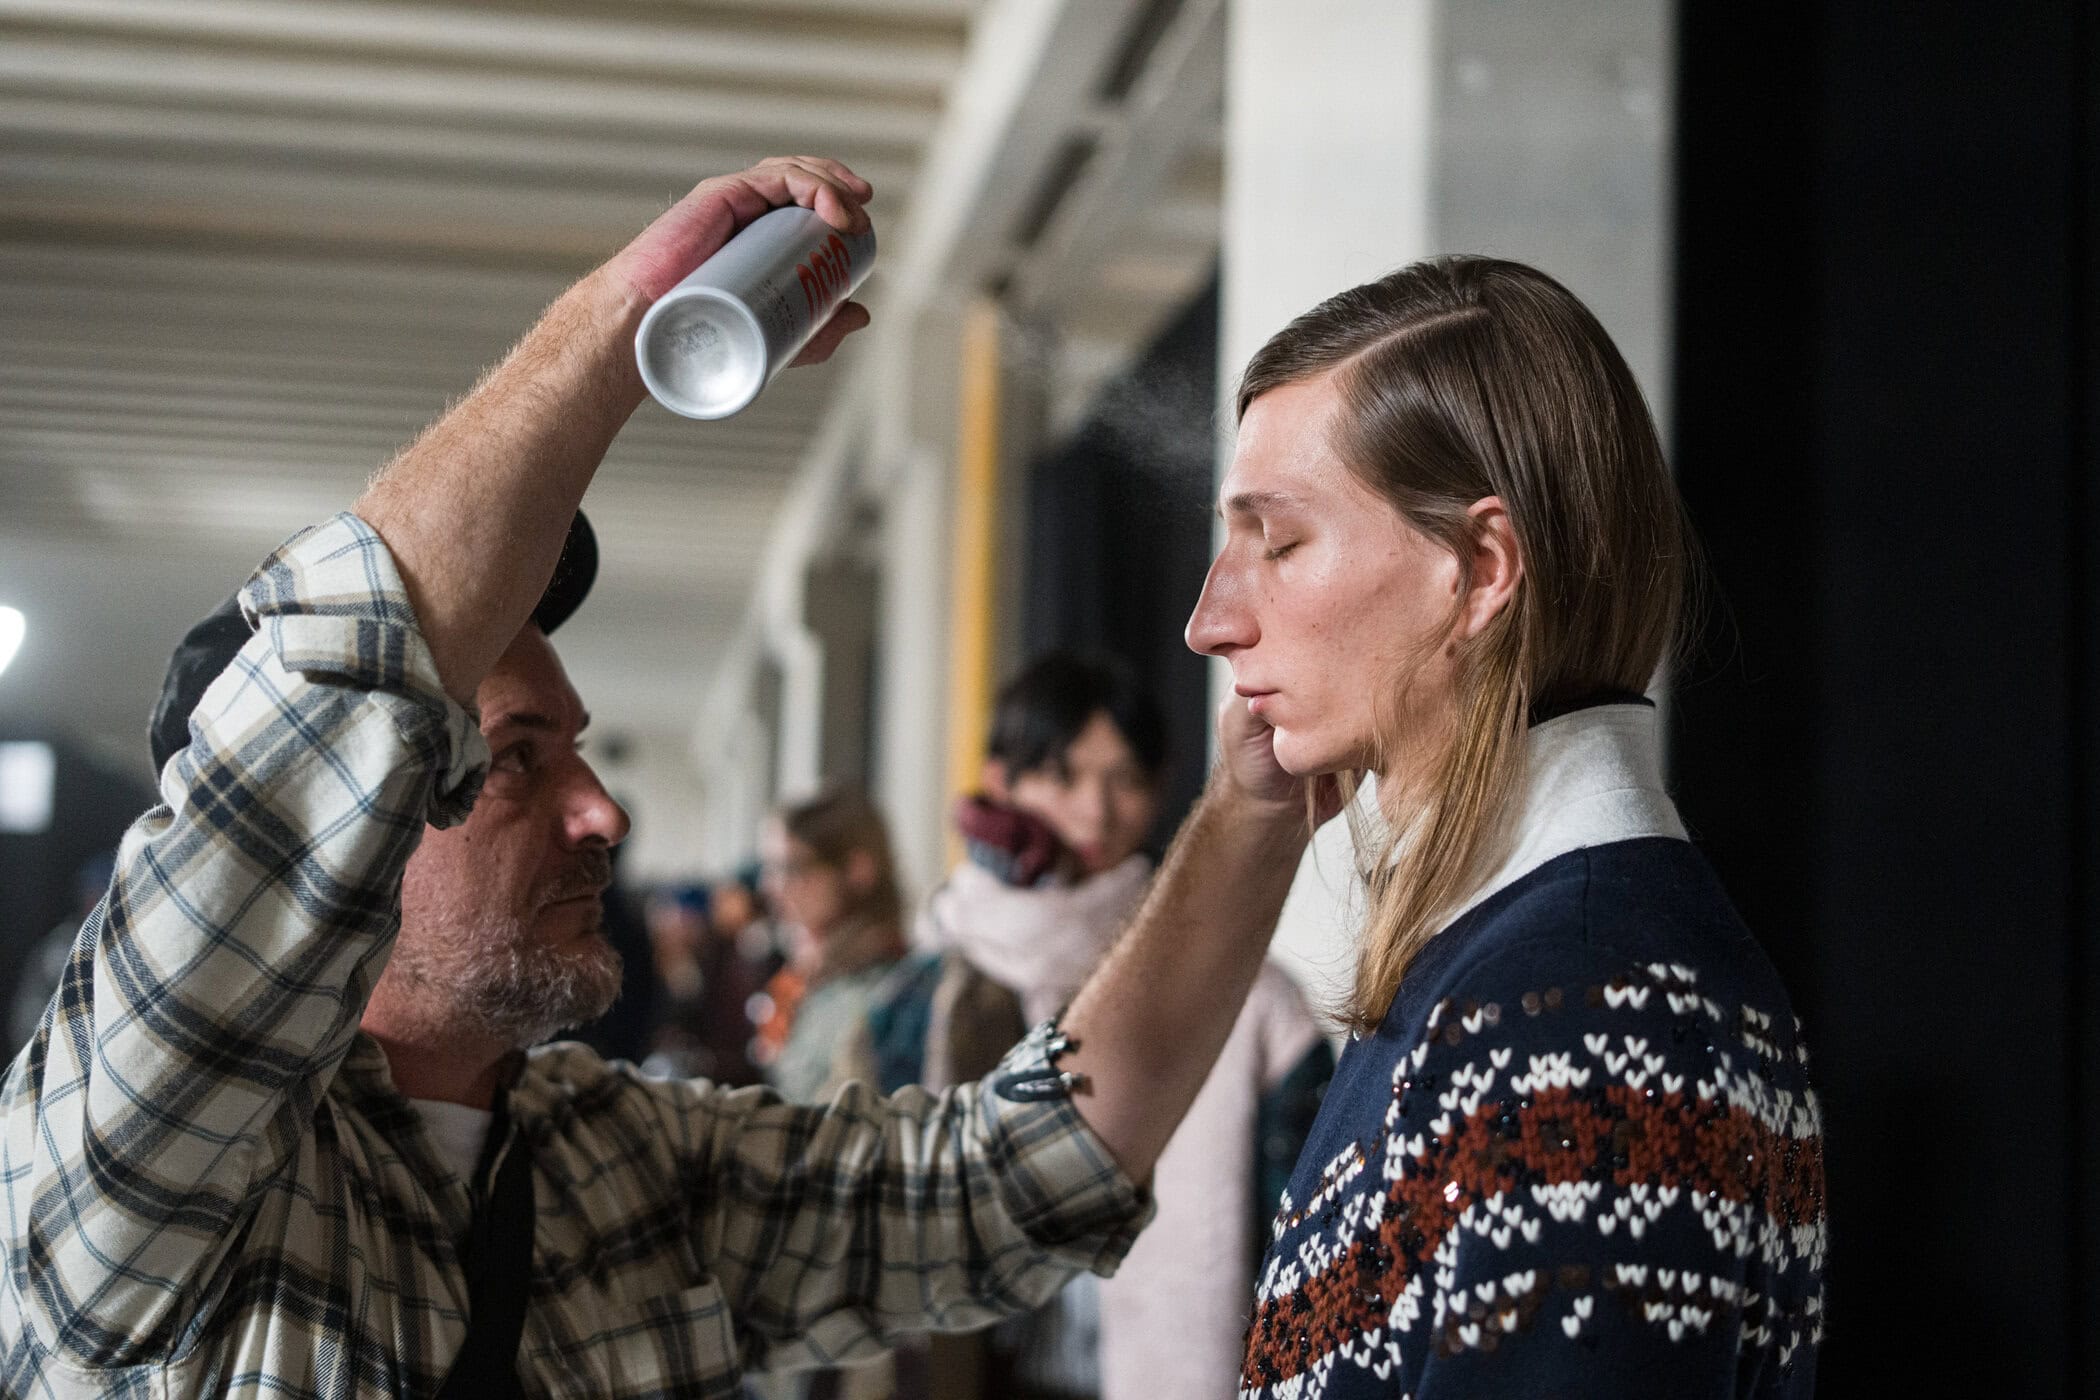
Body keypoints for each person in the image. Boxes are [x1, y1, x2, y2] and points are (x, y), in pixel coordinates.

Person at [0, 158, 1327, 1397]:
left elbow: (1016, 1182)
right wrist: (625, 324)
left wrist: (1256, 810)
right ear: (339, 834)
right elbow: (339, 689)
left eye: (579, 748)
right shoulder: (146, 1166)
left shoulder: (618, 1164)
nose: (606, 815)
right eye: (519, 759)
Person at [1187, 256, 1828, 1398]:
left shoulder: (1581, 1009)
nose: (1211, 621)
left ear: (1481, 570)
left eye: (1278, 543)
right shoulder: (1535, 969)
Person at [854, 653, 1332, 1400]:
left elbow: (1296, 1239)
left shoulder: (1247, 994)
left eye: (1127, 780)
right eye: (1064, 775)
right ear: (1001, 782)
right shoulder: (927, 993)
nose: (1096, 811)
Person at [756, 788, 908, 1107]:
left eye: (790, 867)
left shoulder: (882, 990)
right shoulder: (811, 972)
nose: (770, 887)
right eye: (768, 868)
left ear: (857, 870)